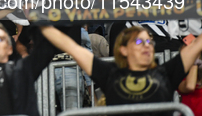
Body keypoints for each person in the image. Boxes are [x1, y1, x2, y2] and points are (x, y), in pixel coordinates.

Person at [40, 24, 202, 109]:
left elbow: (196, 45)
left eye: (149, 42)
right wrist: (38, 20)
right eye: (139, 41)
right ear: (123, 49)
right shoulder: (110, 74)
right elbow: (72, 47)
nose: (147, 46)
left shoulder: (166, 73)